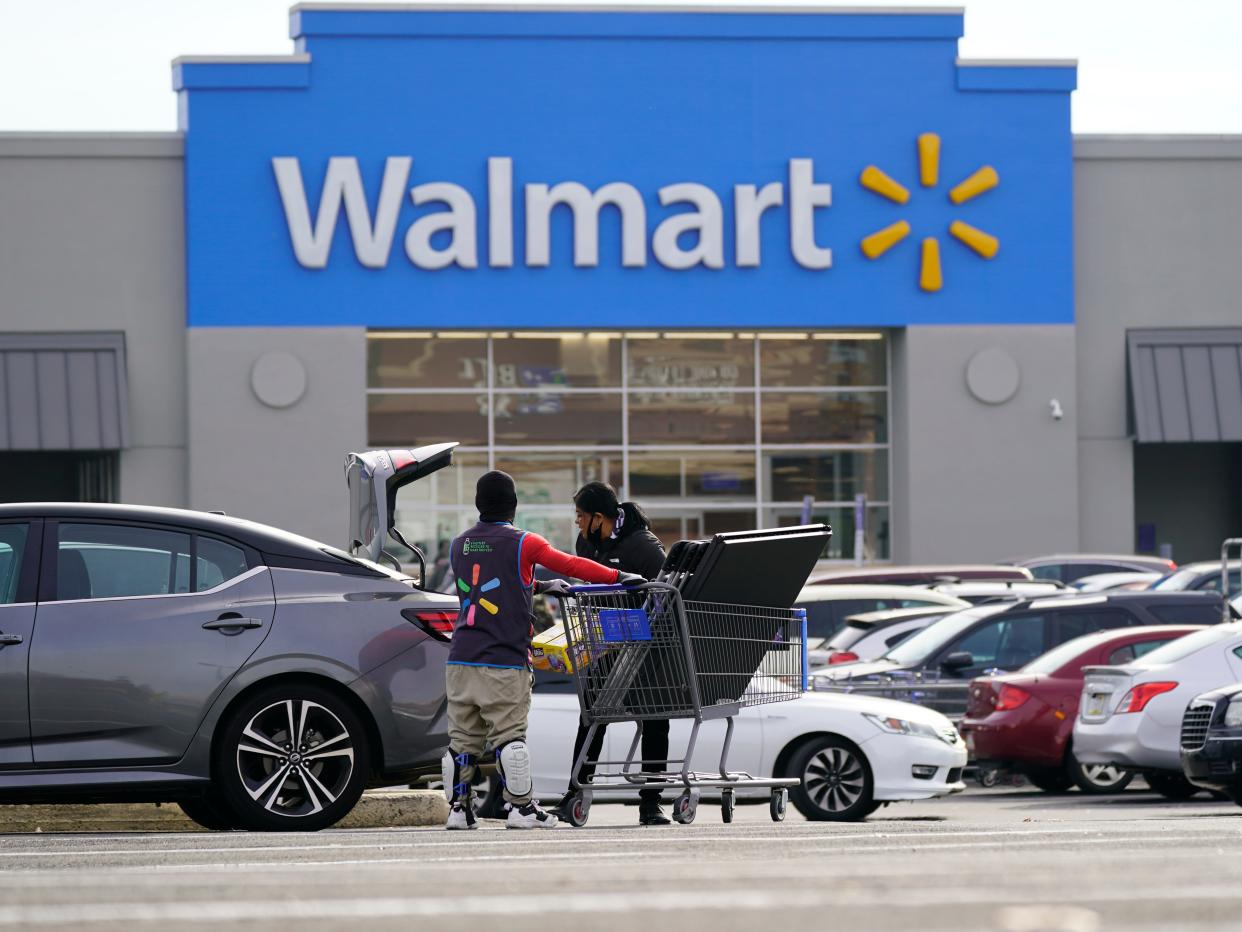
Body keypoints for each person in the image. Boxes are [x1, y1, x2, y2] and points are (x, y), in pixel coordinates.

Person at [442, 470, 641, 831]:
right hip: (503, 660)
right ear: (513, 506)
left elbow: (491, 584)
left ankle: (459, 808)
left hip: (460, 658)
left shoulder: (459, 543)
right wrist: (618, 578)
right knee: (509, 738)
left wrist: (541, 585)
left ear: (478, 504)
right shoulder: (523, 542)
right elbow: (571, 563)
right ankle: (521, 809)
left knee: (462, 741)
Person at [553, 480, 672, 826]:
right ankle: (576, 793)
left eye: (580, 515)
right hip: (606, 642)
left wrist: (642, 621)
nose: (577, 522)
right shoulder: (585, 543)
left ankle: (651, 804)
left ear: (600, 517)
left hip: (647, 646)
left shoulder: (643, 545)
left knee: (653, 722)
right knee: (592, 717)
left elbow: (667, 593)